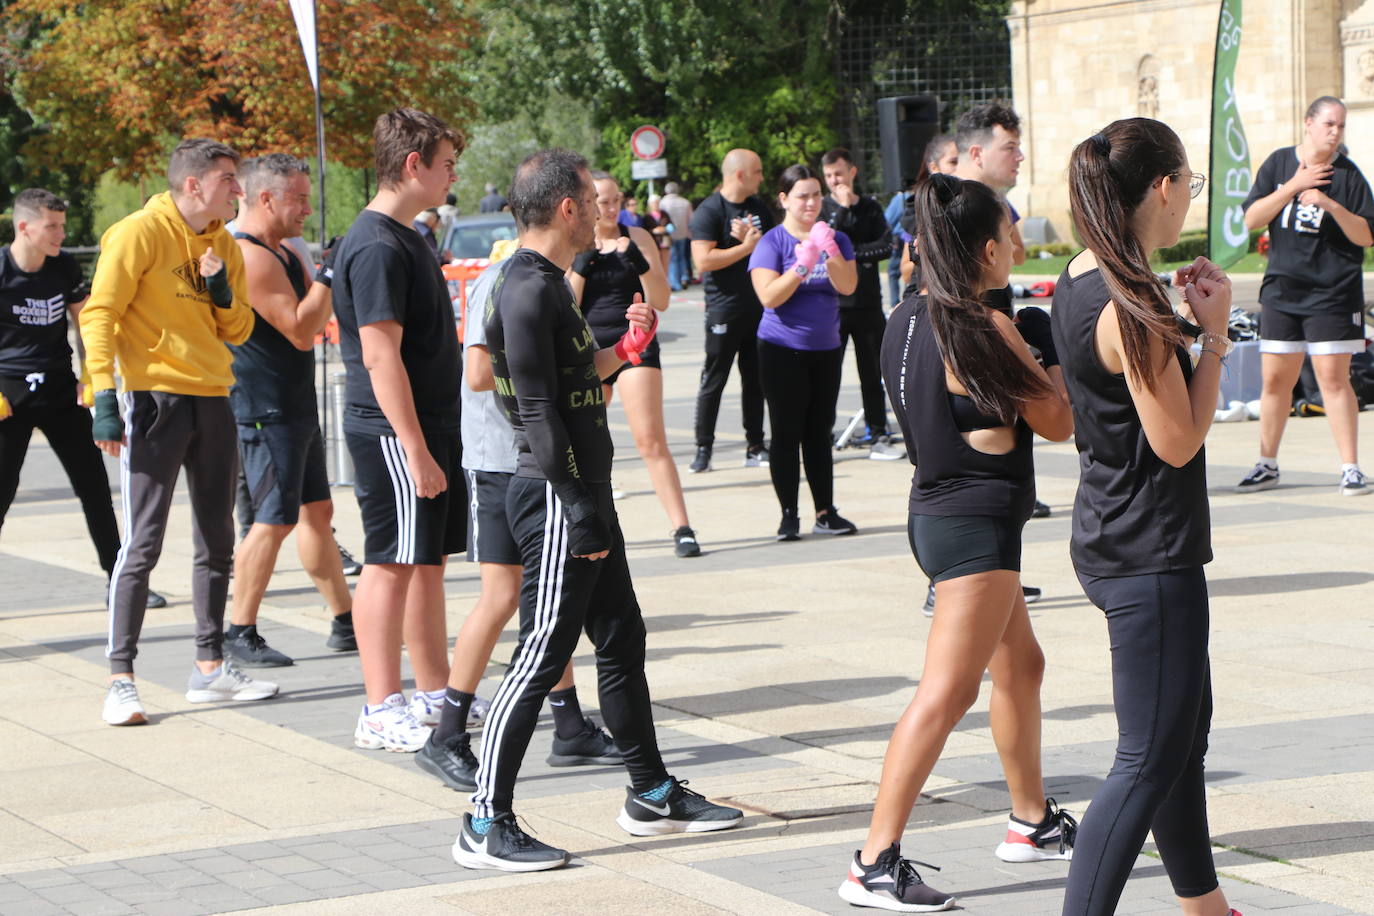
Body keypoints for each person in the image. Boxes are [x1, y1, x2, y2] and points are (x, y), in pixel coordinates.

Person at [454, 148, 741, 872]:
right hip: (555, 494)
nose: (601, 208)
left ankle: (650, 791)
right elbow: (539, 409)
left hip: (582, 491)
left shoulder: (553, 286)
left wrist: (624, 347)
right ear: (565, 208)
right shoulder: (523, 287)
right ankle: (484, 821)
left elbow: (578, 376)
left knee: (620, 638)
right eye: (591, 196)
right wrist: (579, 507)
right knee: (541, 654)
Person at [839, 173, 1076, 913]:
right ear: (984, 249)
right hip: (973, 525)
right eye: (1009, 235)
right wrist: (1051, 353)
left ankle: (1030, 821)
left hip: (941, 512)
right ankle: (874, 861)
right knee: (946, 692)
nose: (1016, 245)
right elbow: (1059, 422)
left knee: (1023, 666)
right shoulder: (985, 326)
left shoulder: (907, 316)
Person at [1053, 118, 1239, 916]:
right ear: (1161, 189)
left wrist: (1184, 325)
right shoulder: (1130, 304)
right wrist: (1216, 339)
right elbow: (1177, 440)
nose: (1188, 200)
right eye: (1188, 186)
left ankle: (1204, 906)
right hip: (1148, 552)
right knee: (1147, 757)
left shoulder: (1080, 272)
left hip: (1114, 532)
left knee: (1178, 741)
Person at [81, 138, 278, 726]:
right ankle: (120, 678)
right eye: (227, 180)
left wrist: (219, 292)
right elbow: (99, 313)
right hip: (153, 398)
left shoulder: (224, 244)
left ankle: (210, 668)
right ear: (193, 185)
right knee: (142, 544)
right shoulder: (138, 233)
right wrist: (103, 395)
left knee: (218, 541)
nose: (237, 190)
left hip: (214, 397)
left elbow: (239, 329)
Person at [416, 241, 621, 791]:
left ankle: (569, 724)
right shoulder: (508, 280)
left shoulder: (551, 280)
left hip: (533, 462)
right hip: (503, 461)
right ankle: (448, 733)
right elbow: (479, 372)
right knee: (505, 596)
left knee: (549, 599)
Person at [332, 108, 467, 753]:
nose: (453, 176)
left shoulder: (408, 236)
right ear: (413, 165)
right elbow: (379, 355)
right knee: (389, 564)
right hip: (393, 431)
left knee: (427, 561)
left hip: (428, 423)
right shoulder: (378, 243)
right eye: (445, 164)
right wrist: (413, 447)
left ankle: (436, 689)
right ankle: (380, 704)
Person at [0, 189, 167, 609]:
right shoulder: (1, 269)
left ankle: (121, 582)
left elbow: (88, 321)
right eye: (51, 226)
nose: (61, 233)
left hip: (59, 391)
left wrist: (93, 380)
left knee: (94, 487)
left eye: (62, 224)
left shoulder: (63, 266)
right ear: (24, 226)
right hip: (9, 396)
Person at [222, 154, 356, 667]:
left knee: (316, 513)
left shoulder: (282, 250)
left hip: (294, 405)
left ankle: (345, 621)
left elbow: (315, 321)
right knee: (273, 520)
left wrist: (322, 272)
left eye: (306, 196)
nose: (307, 207)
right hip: (264, 408)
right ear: (265, 198)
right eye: (298, 198)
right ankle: (239, 629)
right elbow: (302, 330)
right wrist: (327, 270)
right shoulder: (250, 256)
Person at [1238, 95, 1372, 496]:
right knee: (1275, 381)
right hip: (1282, 290)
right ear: (1308, 123)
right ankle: (1267, 463)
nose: (1335, 132)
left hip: (1333, 293)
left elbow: (1366, 235)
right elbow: (1251, 219)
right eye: (1329, 124)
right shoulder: (1280, 164)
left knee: (1333, 379)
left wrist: (1329, 203)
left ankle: (1350, 468)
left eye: (1341, 126)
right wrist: (1294, 186)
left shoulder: (1348, 176)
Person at [568, 173, 702, 558]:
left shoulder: (638, 236)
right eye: (599, 202)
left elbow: (661, 299)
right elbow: (566, 307)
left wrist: (639, 262)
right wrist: (580, 266)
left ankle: (682, 527)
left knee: (650, 439)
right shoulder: (574, 240)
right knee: (582, 444)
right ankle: (582, 527)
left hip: (636, 345)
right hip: (590, 348)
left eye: (613, 201)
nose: (607, 210)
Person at [748, 165, 859, 540]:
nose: (811, 202)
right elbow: (768, 296)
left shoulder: (837, 239)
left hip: (826, 347)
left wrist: (828, 251)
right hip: (781, 349)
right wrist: (801, 264)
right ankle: (788, 514)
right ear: (783, 200)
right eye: (802, 196)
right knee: (786, 431)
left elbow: (848, 287)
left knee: (819, 431)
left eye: (816, 194)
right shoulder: (772, 242)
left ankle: (825, 512)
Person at [689, 149, 775, 472]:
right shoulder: (710, 211)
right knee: (714, 378)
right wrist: (744, 248)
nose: (762, 177)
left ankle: (756, 445)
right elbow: (703, 260)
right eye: (758, 171)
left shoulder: (758, 209)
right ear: (740, 175)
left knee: (755, 380)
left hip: (758, 307)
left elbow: (773, 248)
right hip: (723, 310)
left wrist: (757, 242)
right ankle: (703, 450)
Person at [819, 148, 902, 460]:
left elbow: (886, 246)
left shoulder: (869, 207)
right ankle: (822, 428)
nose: (834, 181)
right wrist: (839, 212)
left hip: (867, 304)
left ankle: (878, 431)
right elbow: (826, 244)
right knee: (829, 373)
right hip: (835, 306)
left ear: (852, 172)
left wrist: (851, 255)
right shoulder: (825, 208)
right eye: (828, 176)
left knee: (873, 372)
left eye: (838, 174)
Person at [659, 181, 694, 291]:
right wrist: (689, 234)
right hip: (683, 233)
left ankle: (674, 282)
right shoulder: (685, 202)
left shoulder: (663, 203)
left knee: (673, 258)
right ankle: (684, 277)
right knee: (683, 257)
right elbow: (691, 219)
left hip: (669, 234)